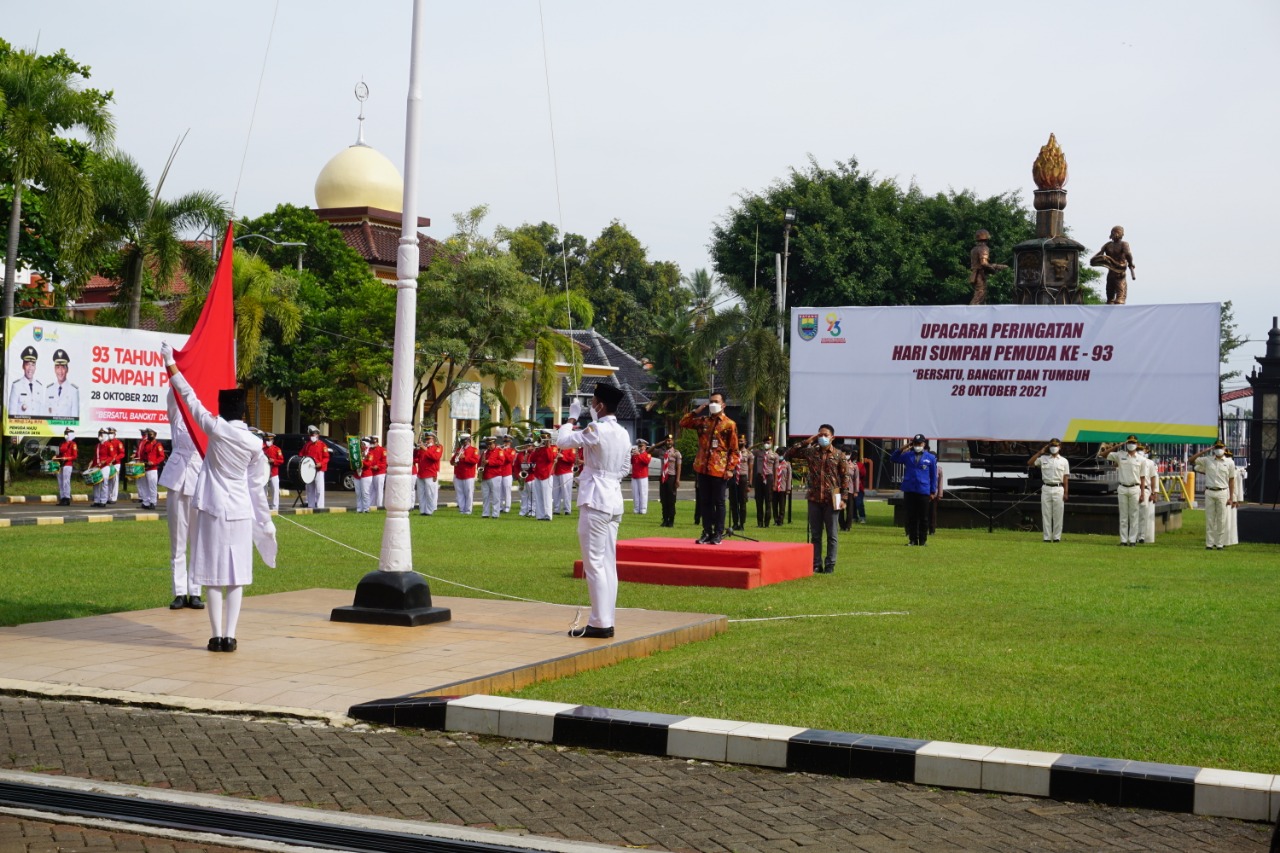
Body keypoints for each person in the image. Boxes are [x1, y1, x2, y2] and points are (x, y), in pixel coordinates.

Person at [162, 343, 276, 653]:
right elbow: (257, 486)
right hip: (240, 511)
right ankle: (231, 635)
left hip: (212, 509)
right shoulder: (254, 444)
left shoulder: (214, 428)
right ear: (242, 412)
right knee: (236, 576)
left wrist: (172, 365)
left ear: (222, 411)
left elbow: (189, 398)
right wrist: (264, 521)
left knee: (212, 575)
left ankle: (215, 636)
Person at [557, 383, 629, 638]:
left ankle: (600, 623)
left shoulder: (596, 428)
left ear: (599, 405)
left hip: (596, 499)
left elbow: (562, 440)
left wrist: (571, 417)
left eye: (593, 403)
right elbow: (624, 467)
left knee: (595, 564)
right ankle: (605, 619)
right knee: (608, 563)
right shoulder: (622, 432)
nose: (591, 407)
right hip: (613, 498)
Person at [159, 386, 204, 610]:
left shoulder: (204, 418)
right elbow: (172, 398)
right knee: (178, 541)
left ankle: (195, 591)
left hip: (198, 480)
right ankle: (179, 592)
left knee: (197, 541)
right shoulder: (177, 416)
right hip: (177, 478)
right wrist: (179, 377)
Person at [785, 425, 848, 573]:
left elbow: (845, 478)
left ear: (832, 437)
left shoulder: (839, 455)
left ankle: (830, 564)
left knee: (832, 534)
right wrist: (808, 440)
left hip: (833, 497)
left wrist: (844, 498)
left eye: (825, 435)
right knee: (816, 534)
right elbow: (790, 453)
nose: (822, 437)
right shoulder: (811, 452)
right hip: (814, 497)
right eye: (820, 435)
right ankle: (816, 563)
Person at [679, 393, 739, 545]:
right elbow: (684, 422)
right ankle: (707, 531)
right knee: (704, 501)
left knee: (718, 502)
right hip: (703, 467)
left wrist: (730, 468)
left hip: (719, 469)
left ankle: (718, 533)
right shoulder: (703, 421)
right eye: (711, 402)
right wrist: (696, 411)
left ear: (723, 404)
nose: (713, 404)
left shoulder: (729, 424)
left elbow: (734, 450)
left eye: (716, 402)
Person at [1098, 435, 1146, 546]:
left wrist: (1142, 493)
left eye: (1133, 442)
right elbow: (1103, 455)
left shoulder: (1141, 459)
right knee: (1123, 516)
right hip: (1122, 487)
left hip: (1135, 487)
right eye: (1129, 442)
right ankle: (1123, 540)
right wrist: (1117, 446)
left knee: (1134, 515)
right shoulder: (1120, 455)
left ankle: (1133, 540)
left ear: (1137, 444)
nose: (1131, 444)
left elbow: (1143, 477)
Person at [891, 434, 938, 546]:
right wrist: (905, 446)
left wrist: (932, 491)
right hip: (910, 489)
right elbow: (893, 458)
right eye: (915, 444)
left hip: (923, 490)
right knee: (911, 516)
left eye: (919, 444)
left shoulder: (930, 458)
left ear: (924, 444)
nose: (918, 446)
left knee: (924, 517)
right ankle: (912, 540)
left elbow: (933, 476)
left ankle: (922, 540)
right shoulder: (908, 455)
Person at [1190, 440, 1236, 550]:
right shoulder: (1207, 460)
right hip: (1210, 491)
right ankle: (1209, 544)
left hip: (1222, 492)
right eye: (1216, 447)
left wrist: (1231, 497)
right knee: (1210, 519)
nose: (1219, 450)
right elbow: (1191, 460)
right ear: (1214, 449)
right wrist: (1205, 450)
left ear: (1224, 448)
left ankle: (1219, 544)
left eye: (1221, 447)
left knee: (1221, 519)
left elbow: (1231, 480)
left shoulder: (1229, 462)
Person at [1028, 438, 1070, 542]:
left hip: (1058, 488)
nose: (1053, 448)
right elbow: (1030, 463)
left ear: (1059, 447)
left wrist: (1066, 492)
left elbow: (1065, 478)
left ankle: (1056, 537)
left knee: (1058, 514)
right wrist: (1040, 452)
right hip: (1046, 487)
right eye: (1051, 446)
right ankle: (1046, 537)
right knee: (1046, 514)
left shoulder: (1064, 461)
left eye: (1055, 446)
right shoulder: (1043, 458)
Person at [1090, 225, 1137, 305]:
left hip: (1114, 271)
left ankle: (1112, 300)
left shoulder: (1108, 245)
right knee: (1118, 295)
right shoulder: (1122, 244)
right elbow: (1128, 254)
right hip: (1118, 270)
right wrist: (1131, 263)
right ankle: (1115, 300)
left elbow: (1098, 256)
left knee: (1112, 295)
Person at [968, 229, 1008, 305]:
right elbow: (984, 263)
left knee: (982, 296)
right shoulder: (984, 248)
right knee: (980, 294)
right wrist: (994, 270)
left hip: (975, 274)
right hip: (980, 275)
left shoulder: (974, 249)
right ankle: (971, 312)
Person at [298, 425, 330, 509]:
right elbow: (301, 454)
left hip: (319, 470)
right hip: (309, 470)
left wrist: (321, 463)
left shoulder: (322, 445)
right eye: (311, 435)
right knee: (309, 489)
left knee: (319, 490)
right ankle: (310, 506)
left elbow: (326, 457)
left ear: (317, 435)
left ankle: (320, 507)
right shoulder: (307, 445)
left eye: (314, 435)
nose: (312, 437)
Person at [43, 348, 80, 419]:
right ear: (54, 369)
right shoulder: (49, 389)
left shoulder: (73, 391)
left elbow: (75, 419)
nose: (60, 371)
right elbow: (46, 416)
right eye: (57, 367)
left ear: (67, 369)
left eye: (63, 367)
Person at [7, 345, 43, 417]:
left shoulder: (39, 387)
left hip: (37, 427)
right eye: (27, 364)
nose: (30, 368)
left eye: (33, 365)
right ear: (23, 366)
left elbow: (41, 413)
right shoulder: (16, 386)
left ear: (35, 367)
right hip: (21, 427)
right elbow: (12, 413)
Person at [412, 431, 443, 515]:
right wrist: (416, 449)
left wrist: (425, 449)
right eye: (426, 439)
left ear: (434, 439)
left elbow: (436, 457)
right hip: (421, 473)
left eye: (429, 439)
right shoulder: (423, 448)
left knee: (430, 493)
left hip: (430, 473)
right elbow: (417, 458)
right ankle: (422, 510)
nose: (427, 441)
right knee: (421, 493)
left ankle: (429, 511)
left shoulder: (438, 447)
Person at [135, 427, 165, 510]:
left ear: (155, 435)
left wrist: (154, 462)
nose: (149, 436)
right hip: (145, 467)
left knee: (152, 486)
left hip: (152, 468)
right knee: (144, 486)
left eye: (151, 434)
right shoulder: (145, 444)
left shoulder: (157, 445)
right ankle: (146, 502)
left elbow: (162, 456)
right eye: (148, 434)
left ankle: (153, 502)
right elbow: (143, 454)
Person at [529, 432, 557, 521]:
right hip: (538, 474)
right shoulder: (539, 449)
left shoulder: (552, 448)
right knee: (539, 496)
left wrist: (548, 446)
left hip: (547, 475)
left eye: (545, 438)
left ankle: (548, 515)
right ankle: (540, 515)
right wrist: (535, 448)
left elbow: (550, 459)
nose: (543, 440)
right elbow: (532, 459)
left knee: (547, 496)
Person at [658, 435, 682, 528]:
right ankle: (665, 519)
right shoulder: (661, 452)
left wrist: (678, 479)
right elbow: (649, 451)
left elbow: (679, 467)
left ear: (673, 442)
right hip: (663, 477)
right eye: (667, 440)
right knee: (663, 500)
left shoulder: (676, 453)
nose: (669, 442)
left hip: (672, 477)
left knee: (671, 500)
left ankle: (671, 521)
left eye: (670, 440)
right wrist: (659, 444)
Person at [451, 433, 478, 514]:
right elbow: (452, 460)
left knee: (469, 493)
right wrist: (453, 462)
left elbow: (475, 460)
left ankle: (468, 510)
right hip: (458, 474)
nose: (464, 443)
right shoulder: (459, 450)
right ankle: (462, 509)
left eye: (465, 441)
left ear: (469, 441)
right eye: (463, 442)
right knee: (460, 493)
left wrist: (465, 458)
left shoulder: (474, 450)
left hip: (468, 474)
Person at [752, 439, 776, 528]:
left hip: (769, 478)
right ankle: (759, 522)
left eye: (768, 443)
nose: (766, 444)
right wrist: (758, 444)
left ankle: (767, 523)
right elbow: (747, 451)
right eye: (765, 443)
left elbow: (776, 470)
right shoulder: (758, 452)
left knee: (768, 501)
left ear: (771, 444)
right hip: (759, 477)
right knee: (759, 501)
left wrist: (775, 483)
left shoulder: (774, 455)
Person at [728, 436, 751, 531]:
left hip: (743, 478)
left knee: (742, 503)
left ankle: (742, 524)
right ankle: (735, 523)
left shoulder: (749, 454)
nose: (740, 442)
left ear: (745, 442)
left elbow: (751, 469)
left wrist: (749, 483)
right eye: (739, 440)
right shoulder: (732, 453)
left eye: (742, 441)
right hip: (733, 478)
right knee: (733, 503)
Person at [480, 436, 505, 518]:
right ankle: (485, 513)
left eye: (490, 444)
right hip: (485, 475)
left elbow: (501, 461)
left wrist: (489, 462)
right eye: (487, 444)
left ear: (494, 443)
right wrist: (480, 467)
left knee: (495, 496)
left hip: (495, 475)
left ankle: (495, 514)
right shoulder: (485, 452)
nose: (489, 446)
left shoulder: (499, 451)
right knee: (485, 496)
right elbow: (479, 462)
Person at [1139, 445, 1159, 544]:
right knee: (1133, 513)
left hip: (1146, 489)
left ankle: (1141, 536)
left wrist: (1154, 492)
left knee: (1143, 512)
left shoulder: (1150, 463)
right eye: (1138, 449)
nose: (1140, 451)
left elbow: (1153, 477)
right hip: (1133, 487)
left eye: (1142, 449)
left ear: (1146, 451)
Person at [838, 447, 860, 532]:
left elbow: (856, 479)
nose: (845, 455)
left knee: (850, 509)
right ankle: (842, 525)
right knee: (840, 508)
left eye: (847, 454)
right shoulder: (838, 464)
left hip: (850, 489)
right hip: (840, 489)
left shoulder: (854, 466)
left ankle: (848, 526)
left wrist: (856, 491)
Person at [54, 427, 78, 506]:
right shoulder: (62, 443)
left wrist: (67, 458)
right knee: (60, 481)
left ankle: (67, 498)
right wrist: (56, 456)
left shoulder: (73, 444)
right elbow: (60, 454)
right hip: (60, 464)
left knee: (66, 482)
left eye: (67, 434)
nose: (66, 435)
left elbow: (74, 456)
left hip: (68, 464)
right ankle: (62, 497)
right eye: (65, 433)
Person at [90, 429, 113, 508]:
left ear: (105, 435)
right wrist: (92, 465)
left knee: (104, 483)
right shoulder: (97, 445)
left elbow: (111, 456)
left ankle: (103, 501)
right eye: (99, 434)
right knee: (96, 483)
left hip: (105, 466)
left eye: (101, 434)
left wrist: (105, 461)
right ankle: (96, 500)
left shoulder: (109, 445)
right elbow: (95, 457)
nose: (100, 436)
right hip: (97, 466)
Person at [552, 444, 577, 515]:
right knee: (555, 492)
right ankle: (556, 509)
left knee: (566, 492)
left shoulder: (571, 448)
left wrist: (563, 456)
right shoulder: (556, 448)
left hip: (566, 472)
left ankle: (567, 509)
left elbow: (573, 459)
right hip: (556, 471)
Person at [262, 433, 284, 511]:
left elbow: (281, 460)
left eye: (270, 440)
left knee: (275, 490)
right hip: (264, 473)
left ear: (273, 440)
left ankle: (275, 507)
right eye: (267, 440)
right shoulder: (262, 449)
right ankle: (264, 507)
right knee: (263, 490)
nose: (268, 441)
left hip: (274, 473)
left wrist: (273, 461)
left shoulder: (277, 449)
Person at [630, 439, 652, 515]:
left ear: (645, 446)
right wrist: (631, 455)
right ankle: (636, 508)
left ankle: (643, 509)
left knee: (643, 493)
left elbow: (646, 462)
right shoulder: (636, 454)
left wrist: (639, 455)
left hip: (643, 476)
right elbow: (631, 462)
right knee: (635, 493)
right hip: (635, 476)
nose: (640, 447)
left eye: (642, 446)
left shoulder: (647, 454)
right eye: (639, 446)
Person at [353, 437, 374, 513]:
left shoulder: (370, 453)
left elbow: (369, 464)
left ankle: (366, 509)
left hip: (366, 475)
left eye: (363, 444)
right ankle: (359, 509)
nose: (362, 446)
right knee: (358, 493)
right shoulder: (357, 453)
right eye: (361, 444)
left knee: (365, 492)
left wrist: (361, 461)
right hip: (357, 474)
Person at [368, 435, 388, 510]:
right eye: (372, 442)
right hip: (371, 471)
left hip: (380, 472)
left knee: (379, 490)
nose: (373, 444)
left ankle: (379, 505)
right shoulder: (369, 450)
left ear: (377, 442)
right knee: (372, 490)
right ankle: (371, 505)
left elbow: (384, 461)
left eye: (374, 442)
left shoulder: (382, 450)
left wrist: (378, 466)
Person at [772, 453, 792, 526]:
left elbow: (789, 477)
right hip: (775, 487)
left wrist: (788, 488)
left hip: (783, 487)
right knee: (774, 505)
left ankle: (780, 520)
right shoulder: (774, 464)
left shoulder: (787, 465)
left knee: (782, 505)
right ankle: (775, 519)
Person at [105, 427, 124, 504]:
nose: (110, 435)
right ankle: (107, 497)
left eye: (111, 433)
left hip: (115, 464)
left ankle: (113, 498)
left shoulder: (118, 443)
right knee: (107, 480)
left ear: (115, 434)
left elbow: (122, 453)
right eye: (109, 433)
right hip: (107, 464)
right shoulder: (106, 442)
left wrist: (115, 459)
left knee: (114, 480)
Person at [498, 435, 516, 513]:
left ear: (510, 443)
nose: (505, 443)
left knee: (507, 491)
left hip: (507, 473)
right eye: (504, 442)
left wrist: (504, 451)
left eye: (507, 442)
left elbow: (510, 459)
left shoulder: (512, 451)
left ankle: (507, 507)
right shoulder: (500, 450)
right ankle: (500, 506)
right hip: (499, 473)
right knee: (499, 492)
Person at [852, 450, 869, 524]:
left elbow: (863, 474)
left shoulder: (860, 465)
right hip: (850, 487)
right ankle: (854, 517)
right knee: (852, 504)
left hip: (859, 488)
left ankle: (862, 517)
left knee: (859, 503)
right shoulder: (847, 464)